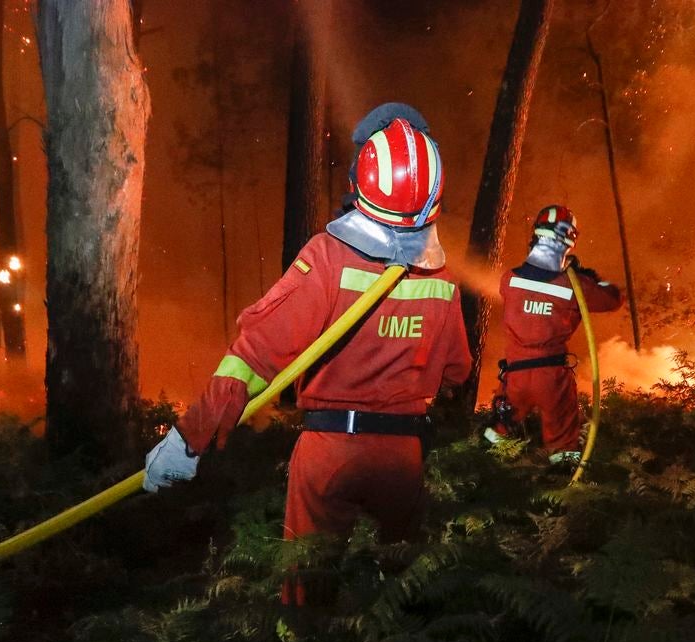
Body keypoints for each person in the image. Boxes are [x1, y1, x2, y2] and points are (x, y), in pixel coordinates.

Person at [143, 106, 471, 606]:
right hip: (404, 457)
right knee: (400, 590)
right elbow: (456, 371)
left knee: (307, 583)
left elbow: (253, 357)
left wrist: (188, 440)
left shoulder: (327, 257)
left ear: (361, 179)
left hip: (332, 448)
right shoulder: (441, 279)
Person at [483, 205, 623, 466]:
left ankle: (486, 476)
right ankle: (562, 489)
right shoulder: (574, 286)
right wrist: (590, 278)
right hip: (552, 380)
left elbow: (533, 284)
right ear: (569, 239)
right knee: (563, 439)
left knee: (500, 428)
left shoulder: (508, 280)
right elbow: (613, 298)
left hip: (515, 376)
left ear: (536, 234)